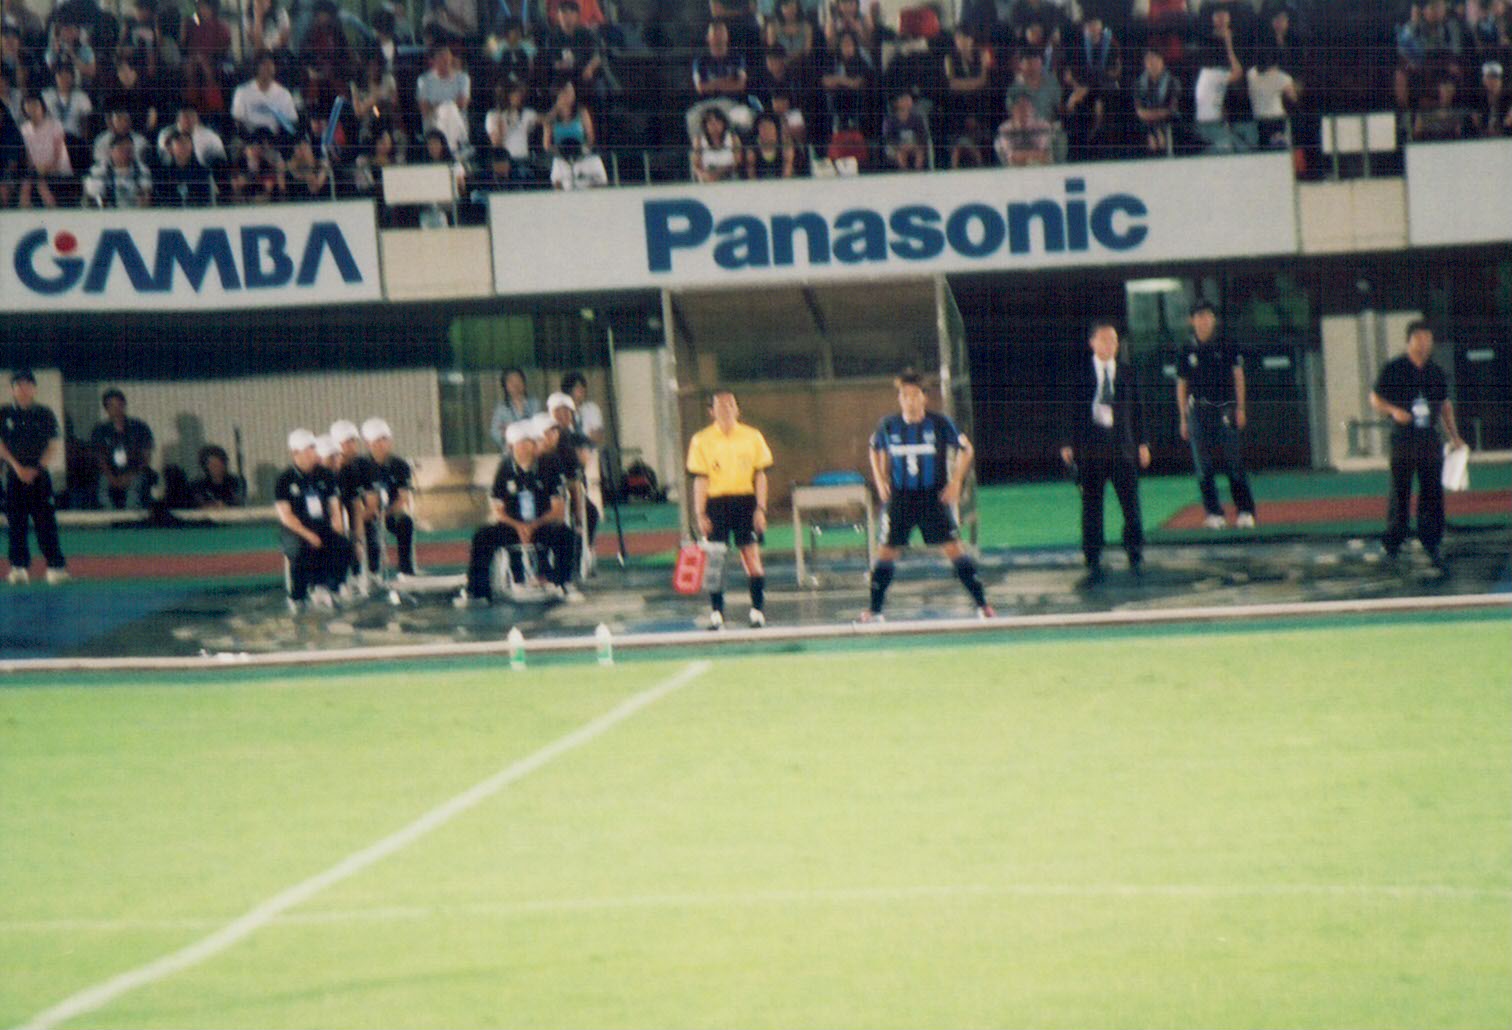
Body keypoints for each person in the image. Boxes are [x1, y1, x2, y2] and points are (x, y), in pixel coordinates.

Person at [862, 370, 993, 622]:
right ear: (899, 399)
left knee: (954, 548)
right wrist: (880, 480)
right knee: (886, 551)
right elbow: (874, 449)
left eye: (914, 395)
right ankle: (875, 610)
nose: (909, 401)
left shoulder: (940, 423)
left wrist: (956, 481)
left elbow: (966, 449)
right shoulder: (888, 425)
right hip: (901, 498)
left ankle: (983, 605)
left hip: (932, 497)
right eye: (904, 396)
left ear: (924, 397)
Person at [1059, 320, 1150, 585]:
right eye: (1104, 340)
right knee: (1091, 504)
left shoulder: (1128, 373)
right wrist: (1067, 443)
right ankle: (1093, 554)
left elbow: (1138, 410)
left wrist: (1143, 443)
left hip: (1122, 447)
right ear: (1092, 343)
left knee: (1130, 503)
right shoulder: (1080, 374)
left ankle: (1135, 551)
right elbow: (1069, 410)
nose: (1110, 345)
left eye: (1113, 341)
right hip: (1091, 448)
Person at [1370, 320, 1465, 568]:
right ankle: (1394, 541)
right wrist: (1394, 411)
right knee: (1400, 490)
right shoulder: (1395, 368)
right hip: (1403, 437)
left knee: (1432, 490)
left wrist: (1454, 436)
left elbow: (1445, 406)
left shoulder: (1435, 372)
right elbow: (1375, 398)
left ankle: (1431, 541)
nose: (1425, 344)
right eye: (1420, 339)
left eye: (1428, 339)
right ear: (1409, 340)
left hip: (1428, 438)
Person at [456, 420, 579, 605]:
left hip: (541, 525)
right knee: (482, 536)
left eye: (529, 443)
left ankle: (563, 583)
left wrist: (532, 526)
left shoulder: (550, 465)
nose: (525, 448)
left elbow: (558, 510)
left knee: (565, 534)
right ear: (513, 446)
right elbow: (498, 510)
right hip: (513, 527)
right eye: (521, 444)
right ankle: (477, 591)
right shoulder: (505, 468)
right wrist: (519, 527)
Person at [685, 388, 772, 629]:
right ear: (711, 411)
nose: (726, 410)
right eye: (720, 406)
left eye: (730, 405)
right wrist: (700, 513)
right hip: (716, 504)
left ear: (737, 409)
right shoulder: (701, 440)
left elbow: (760, 475)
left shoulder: (752, 437)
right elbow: (700, 479)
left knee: (751, 557)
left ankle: (757, 611)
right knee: (715, 559)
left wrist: (760, 508)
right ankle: (717, 614)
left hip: (745, 501)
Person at [1176, 301, 1256, 530]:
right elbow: (1181, 384)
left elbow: (1238, 376)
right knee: (1203, 465)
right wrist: (1183, 417)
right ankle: (1213, 513)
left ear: (1214, 319)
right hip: (1198, 410)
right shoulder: (1186, 349)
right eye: (1199, 316)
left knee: (1233, 461)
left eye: (1208, 316)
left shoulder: (1227, 344)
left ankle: (1245, 511)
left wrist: (1240, 408)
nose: (1204, 321)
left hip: (1225, 408)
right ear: (1192, 320)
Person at [275, 428, 354, 612]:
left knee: (343, 545)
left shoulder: (325, 475)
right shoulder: (285, 479)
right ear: (296, 453)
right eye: (308, 449)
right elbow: (286, 516)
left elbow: (334, 507)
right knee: (301, 548)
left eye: (314, 448)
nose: (313, 453)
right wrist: (308, 534)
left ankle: (331, 587)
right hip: (296, 529)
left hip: (321, 526)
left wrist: (337, 528)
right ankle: (299, 596)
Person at [1, 370, 69, 585]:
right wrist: (17, 467)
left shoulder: (45, 413)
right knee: (16, 523)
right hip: (14, 476)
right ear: (12, 390)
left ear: (34, 389)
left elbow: (53, 444)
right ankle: (18, 568)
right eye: (19, 386)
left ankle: (55, 567)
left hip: (39, 476)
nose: (23, 390)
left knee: (46, 522)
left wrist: (37, 468)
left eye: (28, 385)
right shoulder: (4, 413)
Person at [357, 416, 418, 577]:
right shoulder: (360, 466)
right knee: (371, 527)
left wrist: (388, 513)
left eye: (385, 439)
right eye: (377, 441)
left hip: (391, 511)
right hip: (368, 513)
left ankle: (406, 569)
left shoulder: (400, 465)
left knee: (405, 521)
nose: (382, 444)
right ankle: (373, 571)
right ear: (368, 444)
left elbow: (403, 498)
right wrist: (371, 514)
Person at [91, 389, 157, 510]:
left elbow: (146, 456)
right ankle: (110, 517)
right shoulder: (100, 430)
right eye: (111, 406)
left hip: (135, 472)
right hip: (109, 473)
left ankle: (130, 517)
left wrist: (131, 475)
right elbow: (99, 457)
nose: (116, 410)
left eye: (119, 405)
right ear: (106, 409)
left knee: (135, 488)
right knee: (102, 488)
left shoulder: (139, 427)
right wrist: (111, 477)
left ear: (124, 405)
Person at [490, 367, 542, 448]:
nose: (515, 385)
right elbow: (495, 432)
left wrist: (511, 428)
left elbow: (539, 428)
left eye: (518, 380)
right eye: (511, 381)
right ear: (505, 386)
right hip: (511, 449)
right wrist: (506, 434)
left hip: (532, 448)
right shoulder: (501, 408)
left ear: (524, 382)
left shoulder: (535, 403)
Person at [189, 443, 246, 508]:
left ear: (224, 464)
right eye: (212, 464)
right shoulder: (198, 485)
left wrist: (225, 505)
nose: (216, 467)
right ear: (205, 466)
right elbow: (197, 503)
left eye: (218, 463)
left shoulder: (236, 482)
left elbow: (238, 502)